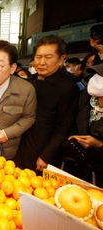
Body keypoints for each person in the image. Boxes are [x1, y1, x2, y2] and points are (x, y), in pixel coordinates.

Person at [15, 35, 79, 172]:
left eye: (48, 57)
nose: (42, 62)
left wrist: (46, 155)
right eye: (38, 57)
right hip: (21, 145)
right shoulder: (31, 82)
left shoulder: (67, 87)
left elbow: (64, 126)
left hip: (42, 151)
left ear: (61, 59)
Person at [67, 63, 103, 187]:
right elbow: (74, 118)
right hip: (80, 166)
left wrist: (99, 144)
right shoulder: (87, 97)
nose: (96, 80)